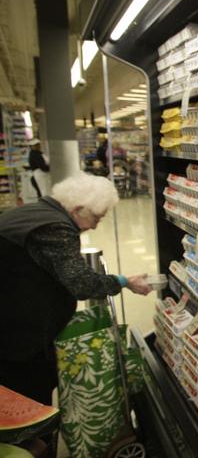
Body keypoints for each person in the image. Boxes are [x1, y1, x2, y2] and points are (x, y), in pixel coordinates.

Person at [0, 172, 152, 407]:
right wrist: (124, 281)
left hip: (14, 321)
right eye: (96, 217)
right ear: (78, 209)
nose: (96, 225)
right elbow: (81, 283)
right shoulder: (56, 229)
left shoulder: (38, 211)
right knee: (28, 391)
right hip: (17, 335)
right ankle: (32, 441)